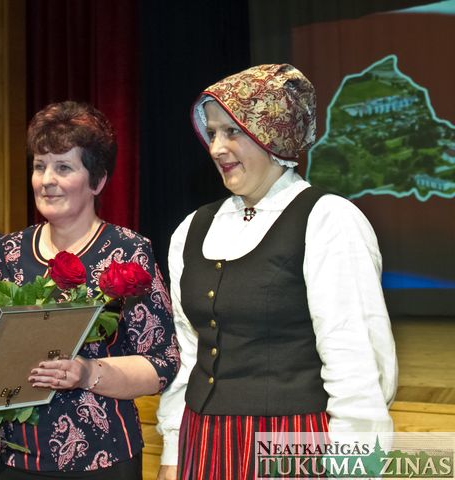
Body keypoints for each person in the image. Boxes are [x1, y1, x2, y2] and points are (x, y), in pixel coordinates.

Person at [155, 64, 398, 480]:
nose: (216, 148)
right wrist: (173, 452)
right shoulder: (192, 228)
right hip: (204, 442)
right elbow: (189, 352)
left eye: (232, 132)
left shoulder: (328, 219)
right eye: (212, 133)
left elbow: (355, 362)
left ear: (273, 134)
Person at [0, 101, 180, 479]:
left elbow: (162, 361)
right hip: (13, 458)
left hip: (103, 459)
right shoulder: (7, 252)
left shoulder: (128, 252)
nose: (46, 179)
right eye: (39, 166)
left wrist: (86, 372)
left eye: (63, 167)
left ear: (97, 181)